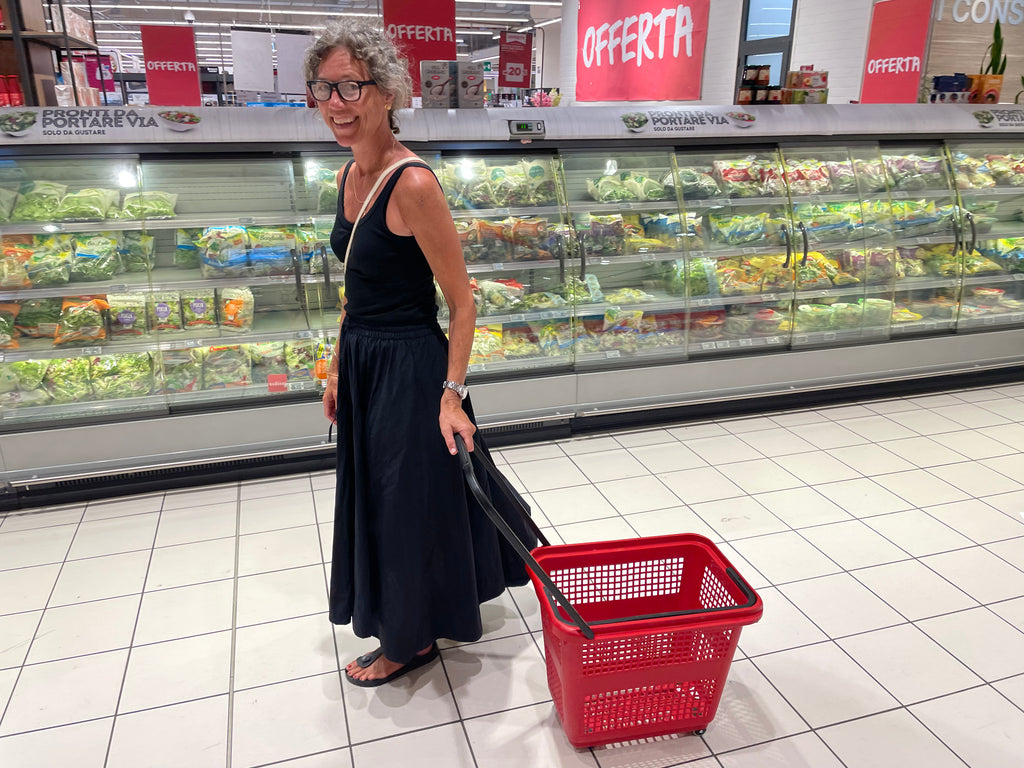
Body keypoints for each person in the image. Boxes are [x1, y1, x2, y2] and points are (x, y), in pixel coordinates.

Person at [304, 20, 537, 687]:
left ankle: (408, 641)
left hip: (410, 369)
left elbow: (462, 301)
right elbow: (356, 289)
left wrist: (450, 394)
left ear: (385, 90)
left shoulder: (414, 186)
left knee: (403, 502)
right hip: (365, 362)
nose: (336, 103)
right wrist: (336, 371)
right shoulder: (348, 173)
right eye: (324, 89)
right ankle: (412, 612)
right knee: (384, 499)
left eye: (351, 85)